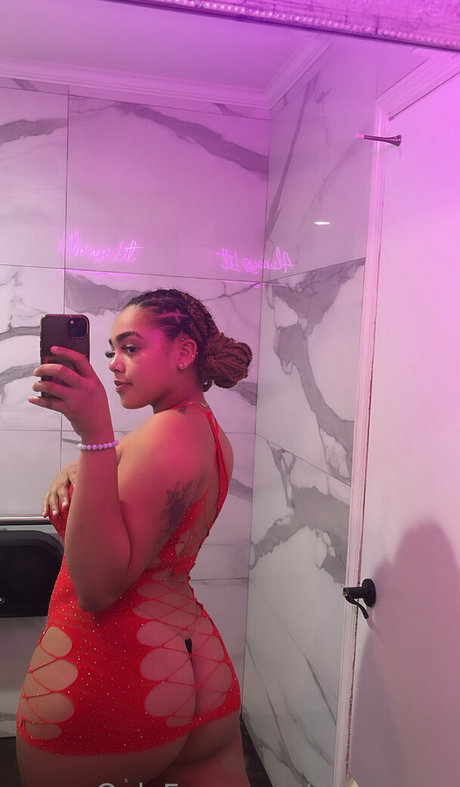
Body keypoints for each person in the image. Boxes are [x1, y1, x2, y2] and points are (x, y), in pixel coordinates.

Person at [16, 289, 253, 787]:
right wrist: (92, 462)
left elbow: (98, 589)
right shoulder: (207, 432)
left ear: (184, 353)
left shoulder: (163, 434)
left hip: (116, 671)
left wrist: (95, 435)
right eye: (111, 351)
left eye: (130, 348)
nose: (114, 364)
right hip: (199, 667)